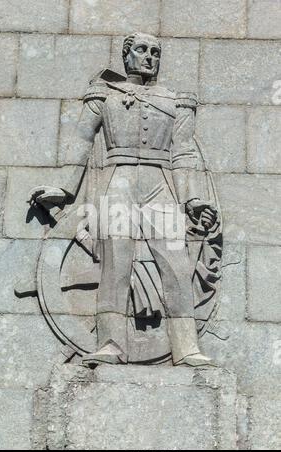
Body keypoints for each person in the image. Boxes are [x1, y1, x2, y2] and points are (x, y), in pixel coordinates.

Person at [30, 32, 219, 366]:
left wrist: (193, 199)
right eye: (142, 50)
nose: (149, 57)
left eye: (156, 52)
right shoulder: (104, 95)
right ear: (127, 55)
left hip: (160, 183)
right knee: (115, 263)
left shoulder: (177, 101)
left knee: (176, 264)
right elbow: (83, 139)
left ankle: (187, 347)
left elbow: (184, 152)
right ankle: (112, 344)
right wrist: (65, 188)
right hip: (118, 182)